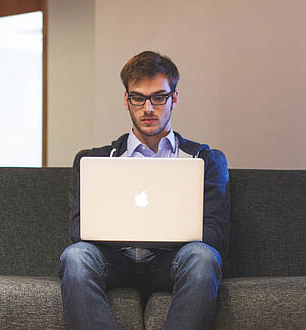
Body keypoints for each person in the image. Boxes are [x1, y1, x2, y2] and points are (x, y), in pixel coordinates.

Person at [59, 51, 230, 330]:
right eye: (138, 97)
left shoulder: (204, 159)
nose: (148, 108)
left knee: (204, 257)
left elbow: (216, 234)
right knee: (76, 256)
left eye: (159, 97)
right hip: (115, 259)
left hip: (172, 261)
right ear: (126, 100)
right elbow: (79, 229)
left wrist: (165, 236)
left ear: (174, 98)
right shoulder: (95, 161)